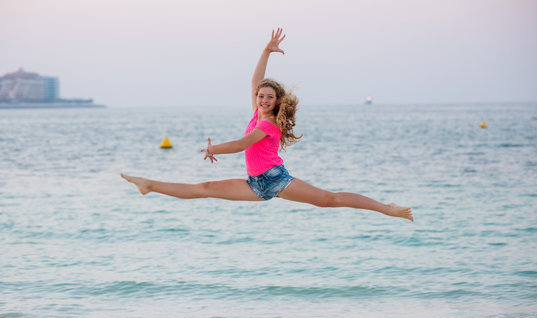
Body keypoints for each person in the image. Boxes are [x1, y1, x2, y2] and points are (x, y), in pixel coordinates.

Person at [121, 28, 413, 222]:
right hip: (255, 185)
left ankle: (387, 209)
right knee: (205, 187)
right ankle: (149, 185)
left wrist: (215, 149)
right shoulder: (255, 113)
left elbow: (241, 144)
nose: (262, 100)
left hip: (276, 179)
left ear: (276, 102)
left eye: (268, 97)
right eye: (260, 96)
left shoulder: (270, 124)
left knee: (329, 200)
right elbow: (254, 80)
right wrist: (266, 50)